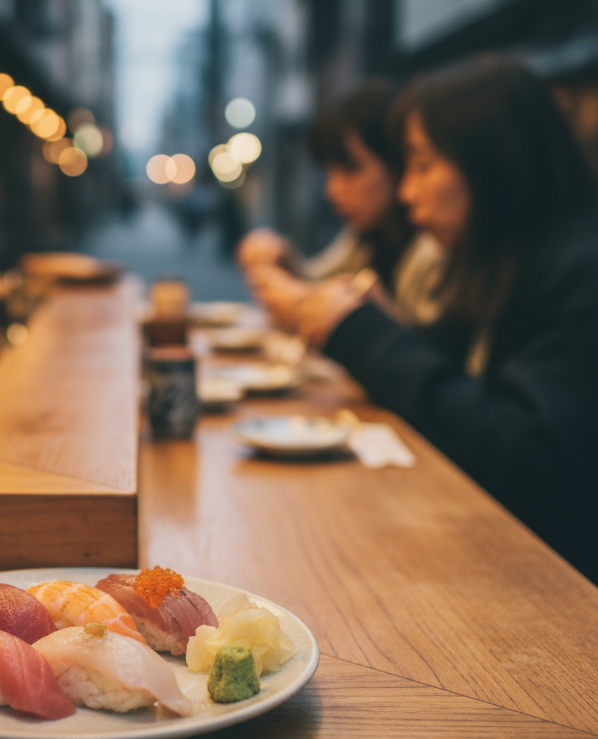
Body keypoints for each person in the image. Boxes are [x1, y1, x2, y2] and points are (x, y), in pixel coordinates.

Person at [252, 58, 598, 581]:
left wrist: (363, 334)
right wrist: (388, 330)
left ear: (492, 164)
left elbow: (525, 457)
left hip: (553, 584)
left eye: (422, 165)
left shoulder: (579, 271)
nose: (407, 191)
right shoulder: (502, 263)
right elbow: (465, 385)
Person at [237, 80, 441, 325]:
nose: (332, 191)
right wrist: (285, 259)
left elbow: (431, 357)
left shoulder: (433, 248)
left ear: (397, 162)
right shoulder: (365, 237)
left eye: (350, 170)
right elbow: (320, 285)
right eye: (329, 173)